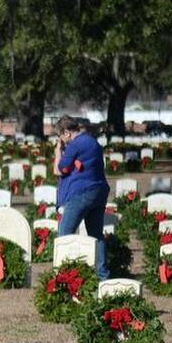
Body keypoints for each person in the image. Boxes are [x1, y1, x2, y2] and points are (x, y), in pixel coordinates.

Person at [54, 116, 109, 280]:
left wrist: (58, 151)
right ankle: (102, 276)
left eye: (61, 136)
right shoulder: (92, 142)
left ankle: (63, 276)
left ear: (66, 133)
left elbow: (60, 168)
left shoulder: (75, 144)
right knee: (95, 235)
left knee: (65, 233)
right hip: (99, 190)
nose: (62, 140)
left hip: (82, 192)